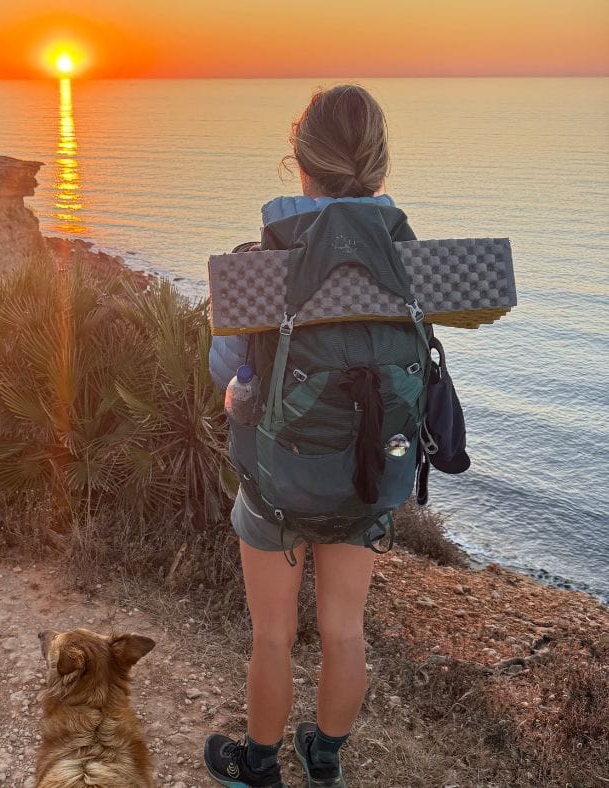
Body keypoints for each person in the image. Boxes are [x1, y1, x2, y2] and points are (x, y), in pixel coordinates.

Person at [203, 84, 411, 788]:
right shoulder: (411, 263)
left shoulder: (265, 265)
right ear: (378, 166)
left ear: (300, 161)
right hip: (368, 473)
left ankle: (258, 768)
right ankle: (324, 761)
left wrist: (239, 381)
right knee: (344, 629)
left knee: (273, 634)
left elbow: (225, 371)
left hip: (279, 480)